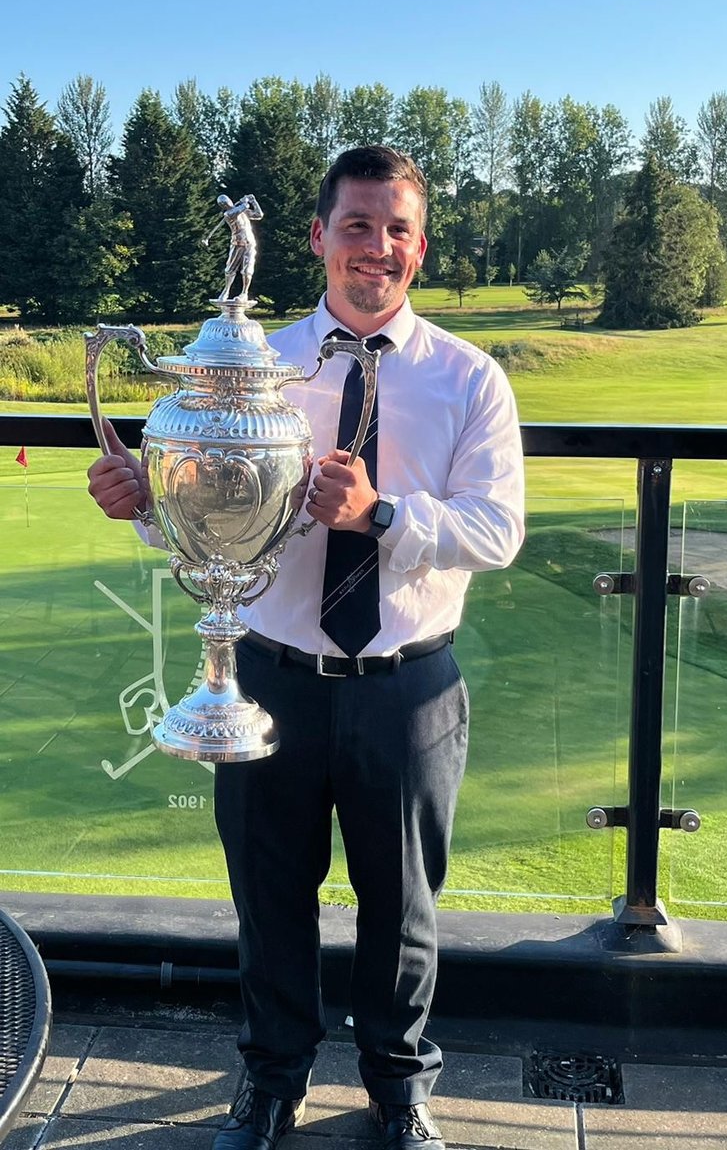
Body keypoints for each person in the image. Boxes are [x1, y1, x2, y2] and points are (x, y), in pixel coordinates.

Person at [87, 146, 525, 1150]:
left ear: (420, 245)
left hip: (408, 686)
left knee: (403, 910)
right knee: (269, 898)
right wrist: (144, 505)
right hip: (269, 676)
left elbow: (495, 531)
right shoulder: (252, 364)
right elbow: (202, 511)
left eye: (397, 228)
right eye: (358, 224)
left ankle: (398, 1084)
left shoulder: (469, 378)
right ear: (319, 236)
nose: (378, 247)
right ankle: (270, 1081)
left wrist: (383, 514)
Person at [204, 193, 264, 303]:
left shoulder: (242, 212)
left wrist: (254, 201)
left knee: (247, 269)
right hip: (237, 244)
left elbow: (259, 215)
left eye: (226, 201)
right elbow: (244, 207)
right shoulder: (229, 214)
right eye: (223, 203)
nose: (226, 203)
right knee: (230, 269)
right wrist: (245, 200)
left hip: (249, 243)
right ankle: (226, 291)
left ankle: (244, 293)